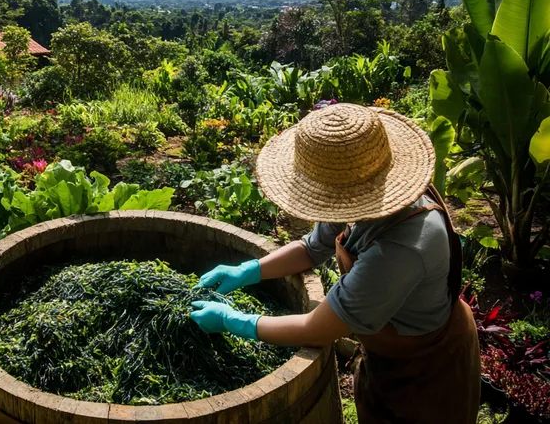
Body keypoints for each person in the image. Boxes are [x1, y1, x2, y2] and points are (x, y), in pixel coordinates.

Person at [189, 103, 481, 424]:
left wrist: (235, 321)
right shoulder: (356, 196)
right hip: (387, 349)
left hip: (429, 367)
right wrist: (250, 271)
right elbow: (311, 249)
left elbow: (316, 329)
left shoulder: (402, 248)